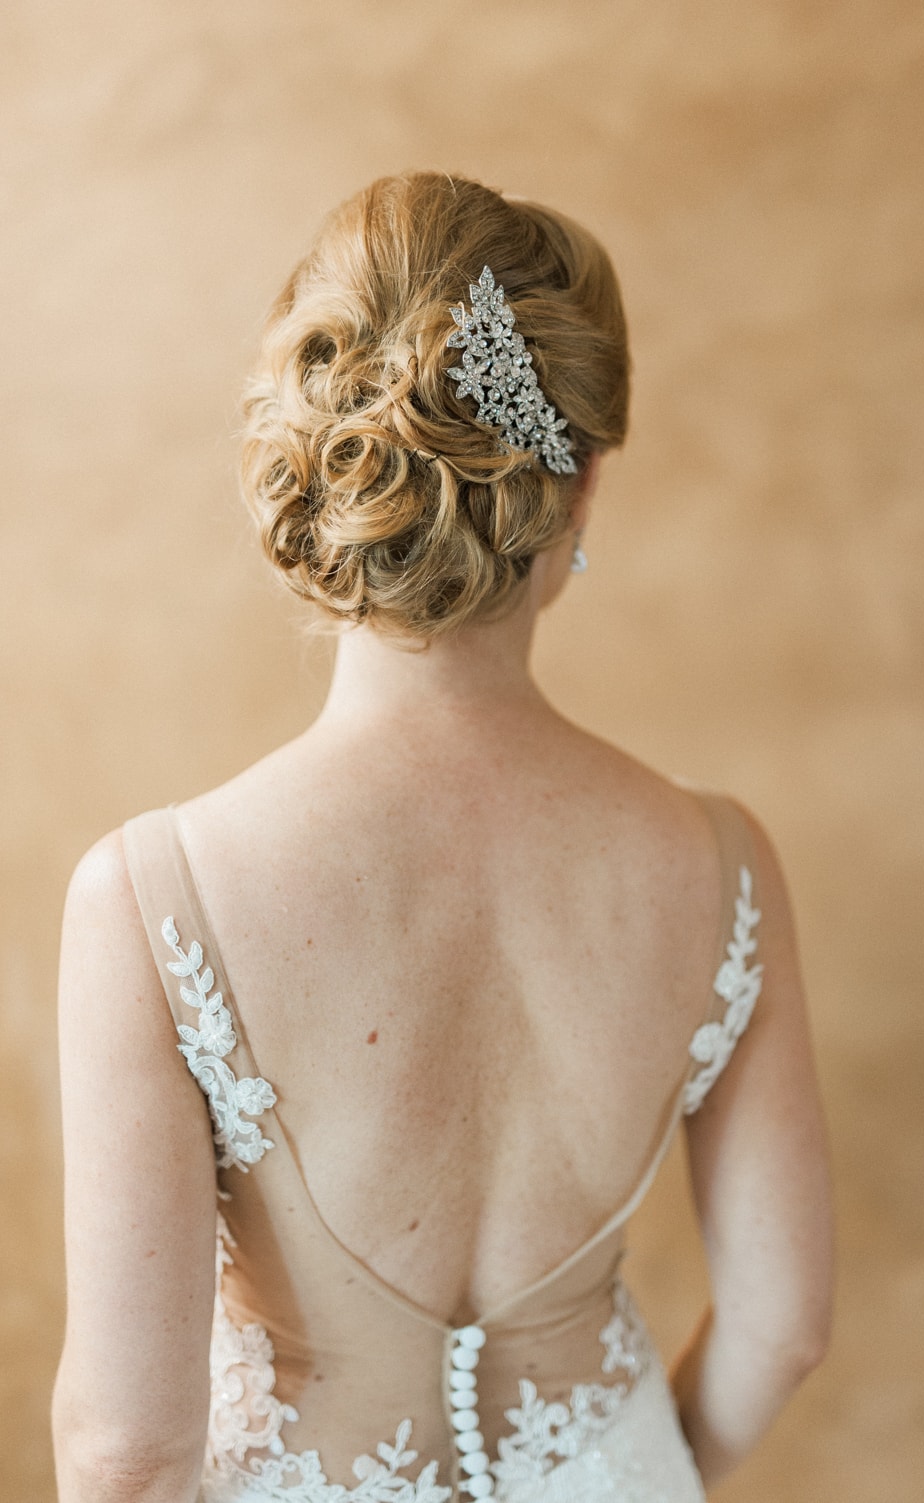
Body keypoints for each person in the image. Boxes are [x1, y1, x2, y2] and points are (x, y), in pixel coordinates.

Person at [52, 171, 834, 1503]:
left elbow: (129, 1449)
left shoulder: (153, 897)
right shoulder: (721, 863)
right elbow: (783, 1322)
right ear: (579, 490)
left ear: (322, 459)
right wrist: (633, 1474)